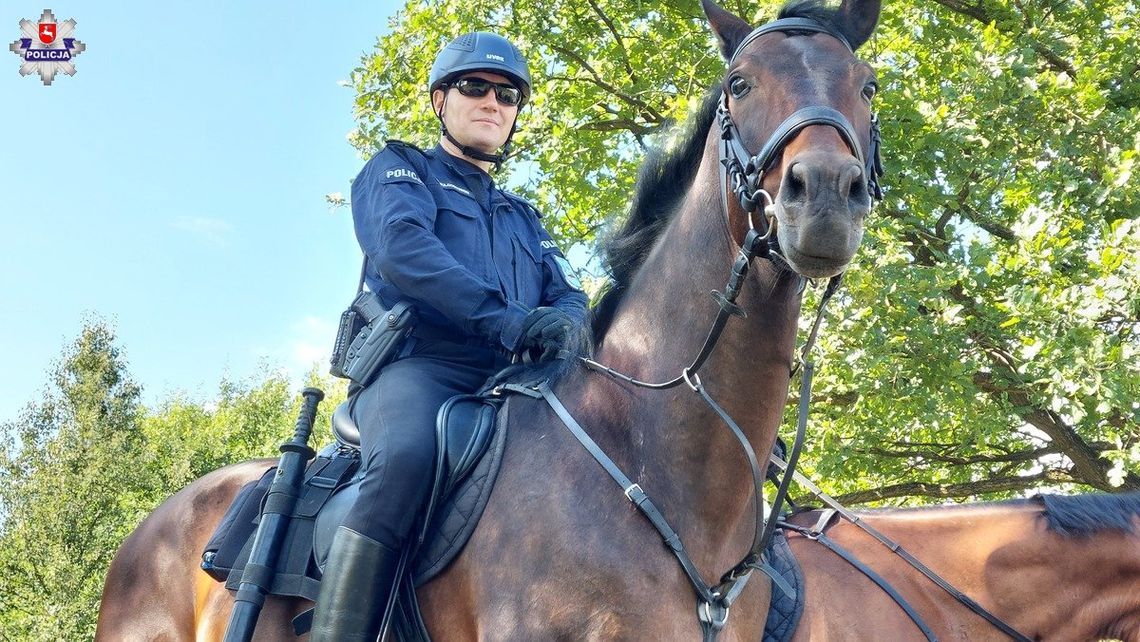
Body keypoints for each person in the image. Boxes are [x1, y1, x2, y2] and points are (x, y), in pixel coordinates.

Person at [311, 32, 589, 641]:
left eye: (508, 94)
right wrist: (509, 321)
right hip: (421, 367)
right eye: (475, 87)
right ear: (441, 100)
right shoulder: (400, 169)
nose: (493, 102)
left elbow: (564, 290)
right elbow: (405, 252)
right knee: (407, 458)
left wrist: (569, 321)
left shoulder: (523, 217)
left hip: (515, 380)